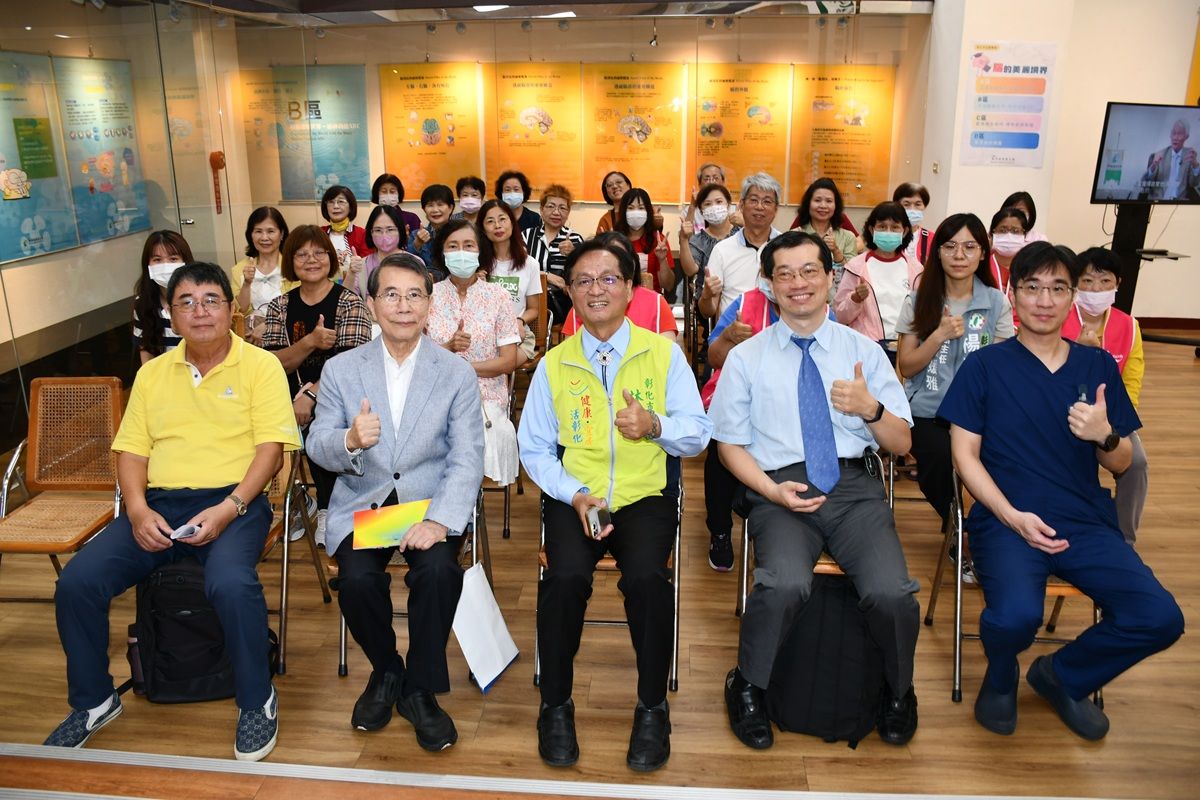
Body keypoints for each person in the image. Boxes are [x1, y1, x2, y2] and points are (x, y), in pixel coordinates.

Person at [46, 262, 301, 761]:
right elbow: (131, 452)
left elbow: (271, 451)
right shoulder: (153, 374)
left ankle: (257, 699)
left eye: (211, 300)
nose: (200, 311)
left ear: (230, 309)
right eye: (187, 302)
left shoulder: (260, 366)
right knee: (77, 582)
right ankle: (94, 701)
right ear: (171, 313)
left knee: (230, 584)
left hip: (235, 502)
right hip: (159, 503)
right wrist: (138, 510)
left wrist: (228, 508)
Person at [940, 241, 1183, 741]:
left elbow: (1122, 463)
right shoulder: (984, 367)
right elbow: (964, 457)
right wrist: (1010, 516)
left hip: (1085, 521)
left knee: (1159, 617)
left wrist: (1104, 435)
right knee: (1015, 617)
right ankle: (1001, 673)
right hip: (1006, 522)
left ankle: (1062, 675)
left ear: (1073, 296)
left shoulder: (1097, 368)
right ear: (1013, 293)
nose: (1045, 300)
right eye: (1032, 287)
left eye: (1058, 288)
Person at [708, 230, 920, 751]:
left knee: (891, 593)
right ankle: (748, 685)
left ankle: (899, 690)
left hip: (854, 489)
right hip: (778, 488)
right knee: (782, 585)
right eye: (784, 274)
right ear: (768, 284)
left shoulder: (863, 352)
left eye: (809, 271)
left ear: (831, 277)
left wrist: (870, 409)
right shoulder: (746, 357)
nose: (797, 283)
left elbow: (901, 442)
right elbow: (729, 445)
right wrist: (770, 491)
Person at [518, 238, 712, 772]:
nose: (595, 290)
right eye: (583, 281)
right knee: (563, 579)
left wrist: (655, 426)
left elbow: (697, 434)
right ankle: (555, 704)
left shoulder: (663, 354)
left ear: (630, 289)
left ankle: (652, 707)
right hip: (577, 497)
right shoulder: (554, 364)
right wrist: (574, 494)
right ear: (571, 292)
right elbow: (534, 448)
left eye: (608, 279)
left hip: (643, 495)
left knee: (648, 579)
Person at [306, 255, 484, 751]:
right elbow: (316, 442)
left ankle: (420, 688)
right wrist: (348, 440)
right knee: (356, 581)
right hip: (365, 504)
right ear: (371, 303)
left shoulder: (455, 373)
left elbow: (467, 457)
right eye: (391, 294)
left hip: (427, 505)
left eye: (414, 295)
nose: (403, 306)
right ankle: (387, 669)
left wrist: (440, 520)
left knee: (439, 572)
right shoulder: (341, 369)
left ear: (429, 305)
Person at [895, 213, 1012, 530]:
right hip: (927, 411)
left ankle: (977, 532)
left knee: (1004, 459)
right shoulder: (918, 301)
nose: (959, 255)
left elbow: (1002, 371)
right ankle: (964, 532)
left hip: (981, 414)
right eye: (950, 246)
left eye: (969, 247)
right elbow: (907, 366)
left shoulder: (996, 303)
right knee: (940, 459)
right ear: (938, 253)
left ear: (983, 253)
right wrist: (938, 336)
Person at [261, 226, 372, 547]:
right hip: (287, 395)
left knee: (324, 422)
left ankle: (328, 507)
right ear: (290, 261)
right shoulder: (279, 306)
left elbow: (352, 366)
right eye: (301, 254)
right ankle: (294, 499)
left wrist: (310, 396)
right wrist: (310, 341)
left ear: (331, 258)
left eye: (319, 253)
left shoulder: (349, 303)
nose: (311, 260)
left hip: (342, 396)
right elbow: (273, 364)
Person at [1061, 247, 1148, 544]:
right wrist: (1080, 352)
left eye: (1105, 281)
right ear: (1075, 284)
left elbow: (1131, 380)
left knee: (1137, 463)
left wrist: (1116, 422)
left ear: (1118, 284)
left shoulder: (1129, 326)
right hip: (1062, 412)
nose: (1096, 289)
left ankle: (1124, 540)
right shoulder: (1059, 317)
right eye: (1087, 281)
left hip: (1109, 417)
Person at [697, 264, 780, 572]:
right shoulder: (745, 303)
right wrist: (729, 336)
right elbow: (714, 357)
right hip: (741, 397)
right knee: (721, 447)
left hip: (788, 407)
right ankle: (720, 530)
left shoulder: (821, 313)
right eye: (776, 273)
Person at [426, 223, 522, 483]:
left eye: (468, 245)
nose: (461, 252)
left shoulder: (499, 296)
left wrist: (464, 368)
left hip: (485, 396)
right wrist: (447, 348)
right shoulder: (429, 296)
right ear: (442, 252)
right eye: (453, 246)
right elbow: (417, 357)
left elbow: (508, 361)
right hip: (434, 394)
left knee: (467, 434)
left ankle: (461, 498)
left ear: (480, 251)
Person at [834, 201, 923, 362]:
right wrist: (855, 299)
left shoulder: (916, 270)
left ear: (905, 231)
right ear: (871, 229)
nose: (888, 232)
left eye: (894, 227)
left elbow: (924, 313)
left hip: (905, 351)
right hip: (866, 350)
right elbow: (840, 316)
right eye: (882, 227)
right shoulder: (856, 267)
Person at [559, 231, 677, 342]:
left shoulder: (656, 302)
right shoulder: (582, 305)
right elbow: (570, 350)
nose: (596, 291)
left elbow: (667, 351)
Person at [699, 172, 784, 320]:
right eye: (754, 200)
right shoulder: (722, 250)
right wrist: (706, 296)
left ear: (776, 209)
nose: (760, 207)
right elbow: (707, 312)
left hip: (776, 330)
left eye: (767, 201)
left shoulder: (786, 247)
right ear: (742, 205)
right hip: (733, 330)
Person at [478, 199, 542, 362]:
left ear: (512, 223)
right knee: (490, 362)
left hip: (518, 333)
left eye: (502, 219)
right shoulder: (477, 264)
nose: (497, 225)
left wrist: (519, 321)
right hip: (484, 333)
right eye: (490, 221)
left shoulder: (530, 264)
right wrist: (475, 285)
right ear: (483, 229)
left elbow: (533, 309)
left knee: (502, 363)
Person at [231, 207, 295, 346]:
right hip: (249, 340)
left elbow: (299, 306)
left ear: (282, 234)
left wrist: (269, 324)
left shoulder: (293, 266)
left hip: (286, 339)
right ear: (251, 235)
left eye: (271, 231)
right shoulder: (238, 269)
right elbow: (239, 312)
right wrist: (246, 284)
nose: (264, 237)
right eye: (258, 231)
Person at [522, 183, 584, 326]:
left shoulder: (575, 239)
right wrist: (547, 276)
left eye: (562, 208)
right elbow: (518, 268)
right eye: (551, 206)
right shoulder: (527, 235)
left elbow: (583, 274)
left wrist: (573, 253)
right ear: (541, 209)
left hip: (563, 302)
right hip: (530, 298)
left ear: (568, 212)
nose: (556, 212)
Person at [132, 230, 194, 365]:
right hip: (163, 374)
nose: (165, 266)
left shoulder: (199, 301)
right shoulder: (143, 304)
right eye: (157, 260)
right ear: (148, 265)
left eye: (173, 259)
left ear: (185, 262)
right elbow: (146, 358)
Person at [792, 177, 859, 291]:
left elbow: (853, 276)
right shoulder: (795, 235)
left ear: (836, 205)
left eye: (829, 201)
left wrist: (836, 251)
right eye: (817, 200)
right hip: (803, 295)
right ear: (808, 204)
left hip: (838, 300)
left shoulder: (848, 237)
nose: (823, 205)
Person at [614, 187, 675, 300]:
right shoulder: (615, 240)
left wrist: (662, 260)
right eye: (630, 208)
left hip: (650, 300)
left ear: (648, 212)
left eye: (641, 208)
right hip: (619, 300)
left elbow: (668, 286)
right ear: (623, 211)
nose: (636, 212)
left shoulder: (658, 240)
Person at [679, 182, 740, 281]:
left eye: (719, 202)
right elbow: (690, 270)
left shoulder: (741, 234)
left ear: (728, 205)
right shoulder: (698, 240)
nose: (714, 207)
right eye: (708, 204)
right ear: (701, 211)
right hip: (707, 290)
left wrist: (746, 224)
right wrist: (683, 239)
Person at [347, 204, 408, 298]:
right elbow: (346, 299)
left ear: (400, 231)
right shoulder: (361, 265)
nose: (384, 235)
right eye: (378, 230)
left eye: (390, 229)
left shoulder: (416, 262)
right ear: (371, 233)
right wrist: (351, 273)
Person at [1140, 118, 1200, 200]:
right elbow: (1144, 183)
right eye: (1173, 133)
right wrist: (1153, 166)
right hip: (1158, 200)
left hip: (1179, 202)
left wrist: (1195, 165)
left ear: (1186, 136)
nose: (1175, 137)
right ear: (1170, 135)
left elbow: (1194, 183)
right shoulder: (1159, 155)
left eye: (1179, 134)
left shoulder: (1189, 156)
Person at [320, 185, 370, 278]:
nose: (335, 206)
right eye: (331, 202)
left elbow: (369, 266)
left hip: (354, 284)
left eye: (341, 201)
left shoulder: (362, 234)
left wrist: (360, 264)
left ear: (350, 207)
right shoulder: (319, 233)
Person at [595, 170, 663, 235]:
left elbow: (655, 236)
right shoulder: (605, 220)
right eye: (610, 185)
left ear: (628, 185)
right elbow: (600, 242)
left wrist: (657, 224)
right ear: (606, 192)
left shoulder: (646, 211)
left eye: (619, 182)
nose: (614, 186)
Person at [406, 184, 455, 271]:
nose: (435, 210)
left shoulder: (459, 233)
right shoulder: (416, 235)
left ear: (450, 208)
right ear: (424, 209)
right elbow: (407, 262)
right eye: (430, 205)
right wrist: (417, 244)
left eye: (440, 204)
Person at [370, 173, 423, 239]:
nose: (388, 195)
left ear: (399, 194)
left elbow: (420, 243)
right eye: (384, 191)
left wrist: (408, 241)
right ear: (377, 194)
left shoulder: (411, 218)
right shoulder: (374, 218)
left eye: (392, 191)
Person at [893, 182, 934, 265]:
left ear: (924, 206)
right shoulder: (889, 236)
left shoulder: (932, 238)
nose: (912, 209)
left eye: (918, 204)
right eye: (906, 204)